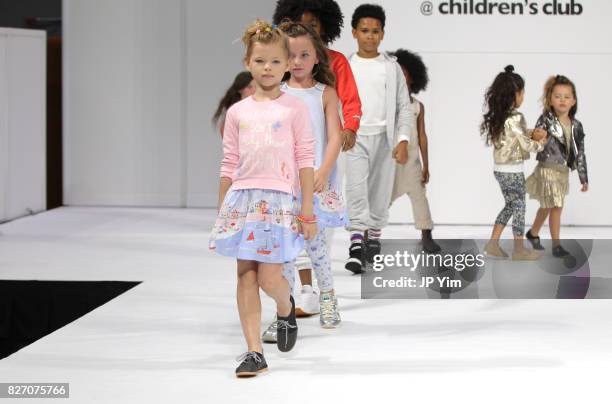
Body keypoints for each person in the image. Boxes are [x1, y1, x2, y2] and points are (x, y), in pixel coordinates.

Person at [208, 20, 316, 377]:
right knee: (245, 276)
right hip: (242, 200)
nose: (266, 68)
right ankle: (254, 351)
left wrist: (306, 211)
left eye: (273, 62)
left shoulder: (294, 108)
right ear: (247, 63)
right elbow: (228, 163)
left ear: (287, 65)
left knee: (271, 279)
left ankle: (285, 308)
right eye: (259, 61)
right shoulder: (238, 112)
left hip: (279, 200)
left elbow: (304, 159)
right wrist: (223, 211)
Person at [344, 4, 412, 274]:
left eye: (375, 31)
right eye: (364, 31)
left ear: (382, 34)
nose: (369, 36)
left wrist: (403, 138)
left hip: (384, 139)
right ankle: (356, 244)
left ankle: (373, 239)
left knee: (380, 193)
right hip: (355, 136)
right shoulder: (346, 66)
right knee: (356, 189)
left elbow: (403, 106)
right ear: (354, 32)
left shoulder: (391, 68)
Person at [480, 65, 547, 260]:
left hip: (500, 170)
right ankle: (519, 250)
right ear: (514, 94)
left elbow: (513, 136)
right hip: (512, 170)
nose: (523, 96)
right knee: (519, 207)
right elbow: (526, 145)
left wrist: (531, 132)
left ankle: (493, 244)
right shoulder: (516, 117)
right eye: (522, 92)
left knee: (510, 205)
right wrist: (541, 143)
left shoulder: (500, 116)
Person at [525, 74, 589, 257]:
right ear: (550, 100)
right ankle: (556, 246)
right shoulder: (546, 119)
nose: (562, 100)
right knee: (557, 206)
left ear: (573, 101)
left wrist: (583, 178)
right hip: (547, 168)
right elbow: (536, 138)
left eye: (567, 96)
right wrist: (538, 137)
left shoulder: (577, 126)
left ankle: (533, 233)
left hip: (562, 172)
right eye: (558, 96)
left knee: (547, 206)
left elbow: (580, 154)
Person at [389, 49, 440, 253]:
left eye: (404, 73)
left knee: (420, 197)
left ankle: (426, 234)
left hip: (412, 163)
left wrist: (426, 164)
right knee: (381, 200)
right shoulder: (388, 105)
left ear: (413, 78)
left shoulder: (418, 106)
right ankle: (367, 235)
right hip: (391, 163)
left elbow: (422, 136)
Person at [211, 71, 255, 137]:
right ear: (240, 90)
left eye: (256, 87)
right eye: (249, 87)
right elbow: (226, 134)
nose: (254, 90)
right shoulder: (233, 111)